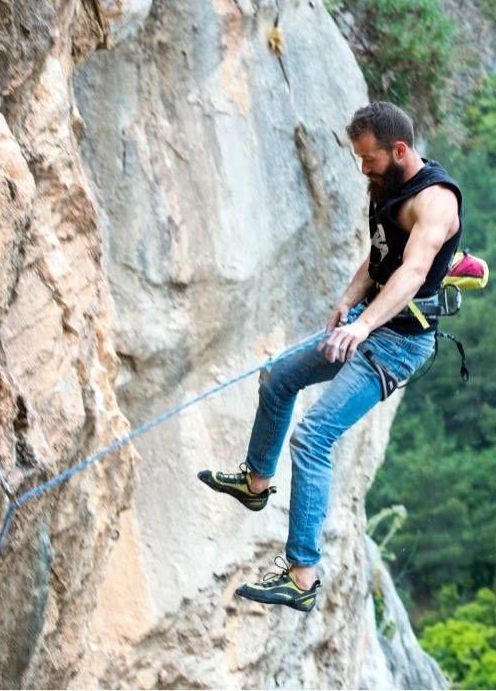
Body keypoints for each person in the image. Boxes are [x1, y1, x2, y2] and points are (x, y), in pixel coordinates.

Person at [198, 101, 463, 611]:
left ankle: (301, 578)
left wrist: (362, 325)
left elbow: (411, 272)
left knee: (313, 436)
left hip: (399, 343)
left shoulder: (436, 202)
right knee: (278, 380)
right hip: (368, 324)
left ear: (399, 150)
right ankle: (256, 481)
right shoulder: (388, 186)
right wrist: (347, 300)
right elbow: (381, 254)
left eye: (369, 159)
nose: (363, 169)